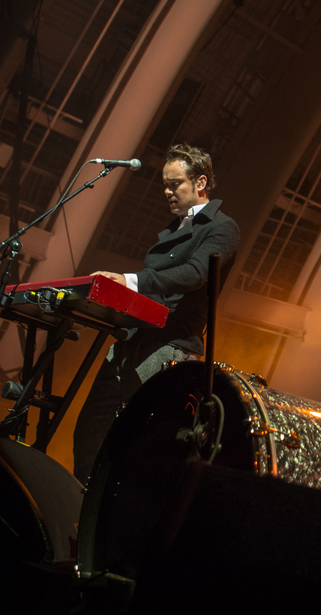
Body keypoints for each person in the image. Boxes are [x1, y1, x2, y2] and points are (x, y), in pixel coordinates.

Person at [73, 143, 239, 483]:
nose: (167, 191)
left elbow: (194, 274)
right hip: (132, 341)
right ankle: (82, 513)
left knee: (143, 441)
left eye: (175, 183)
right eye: (164, 184)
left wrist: (130, 281)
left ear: (201, 183)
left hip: (169, 345)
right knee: (89, 434)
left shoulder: (221, 227)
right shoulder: (171, 230)